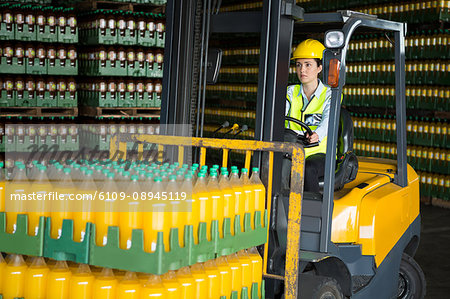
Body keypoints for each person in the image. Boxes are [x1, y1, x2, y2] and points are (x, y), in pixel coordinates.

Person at [285, 39, 332, 193]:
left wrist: (317, 134)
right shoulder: (291, 92)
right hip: (291, 149)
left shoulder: (330, 94)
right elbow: (281, 113)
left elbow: (327, 120)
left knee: (307, 168)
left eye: (307, 64)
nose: (302, 70)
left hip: (319, 152)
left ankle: (311, 210)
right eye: (298, 65)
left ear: (319, 67)